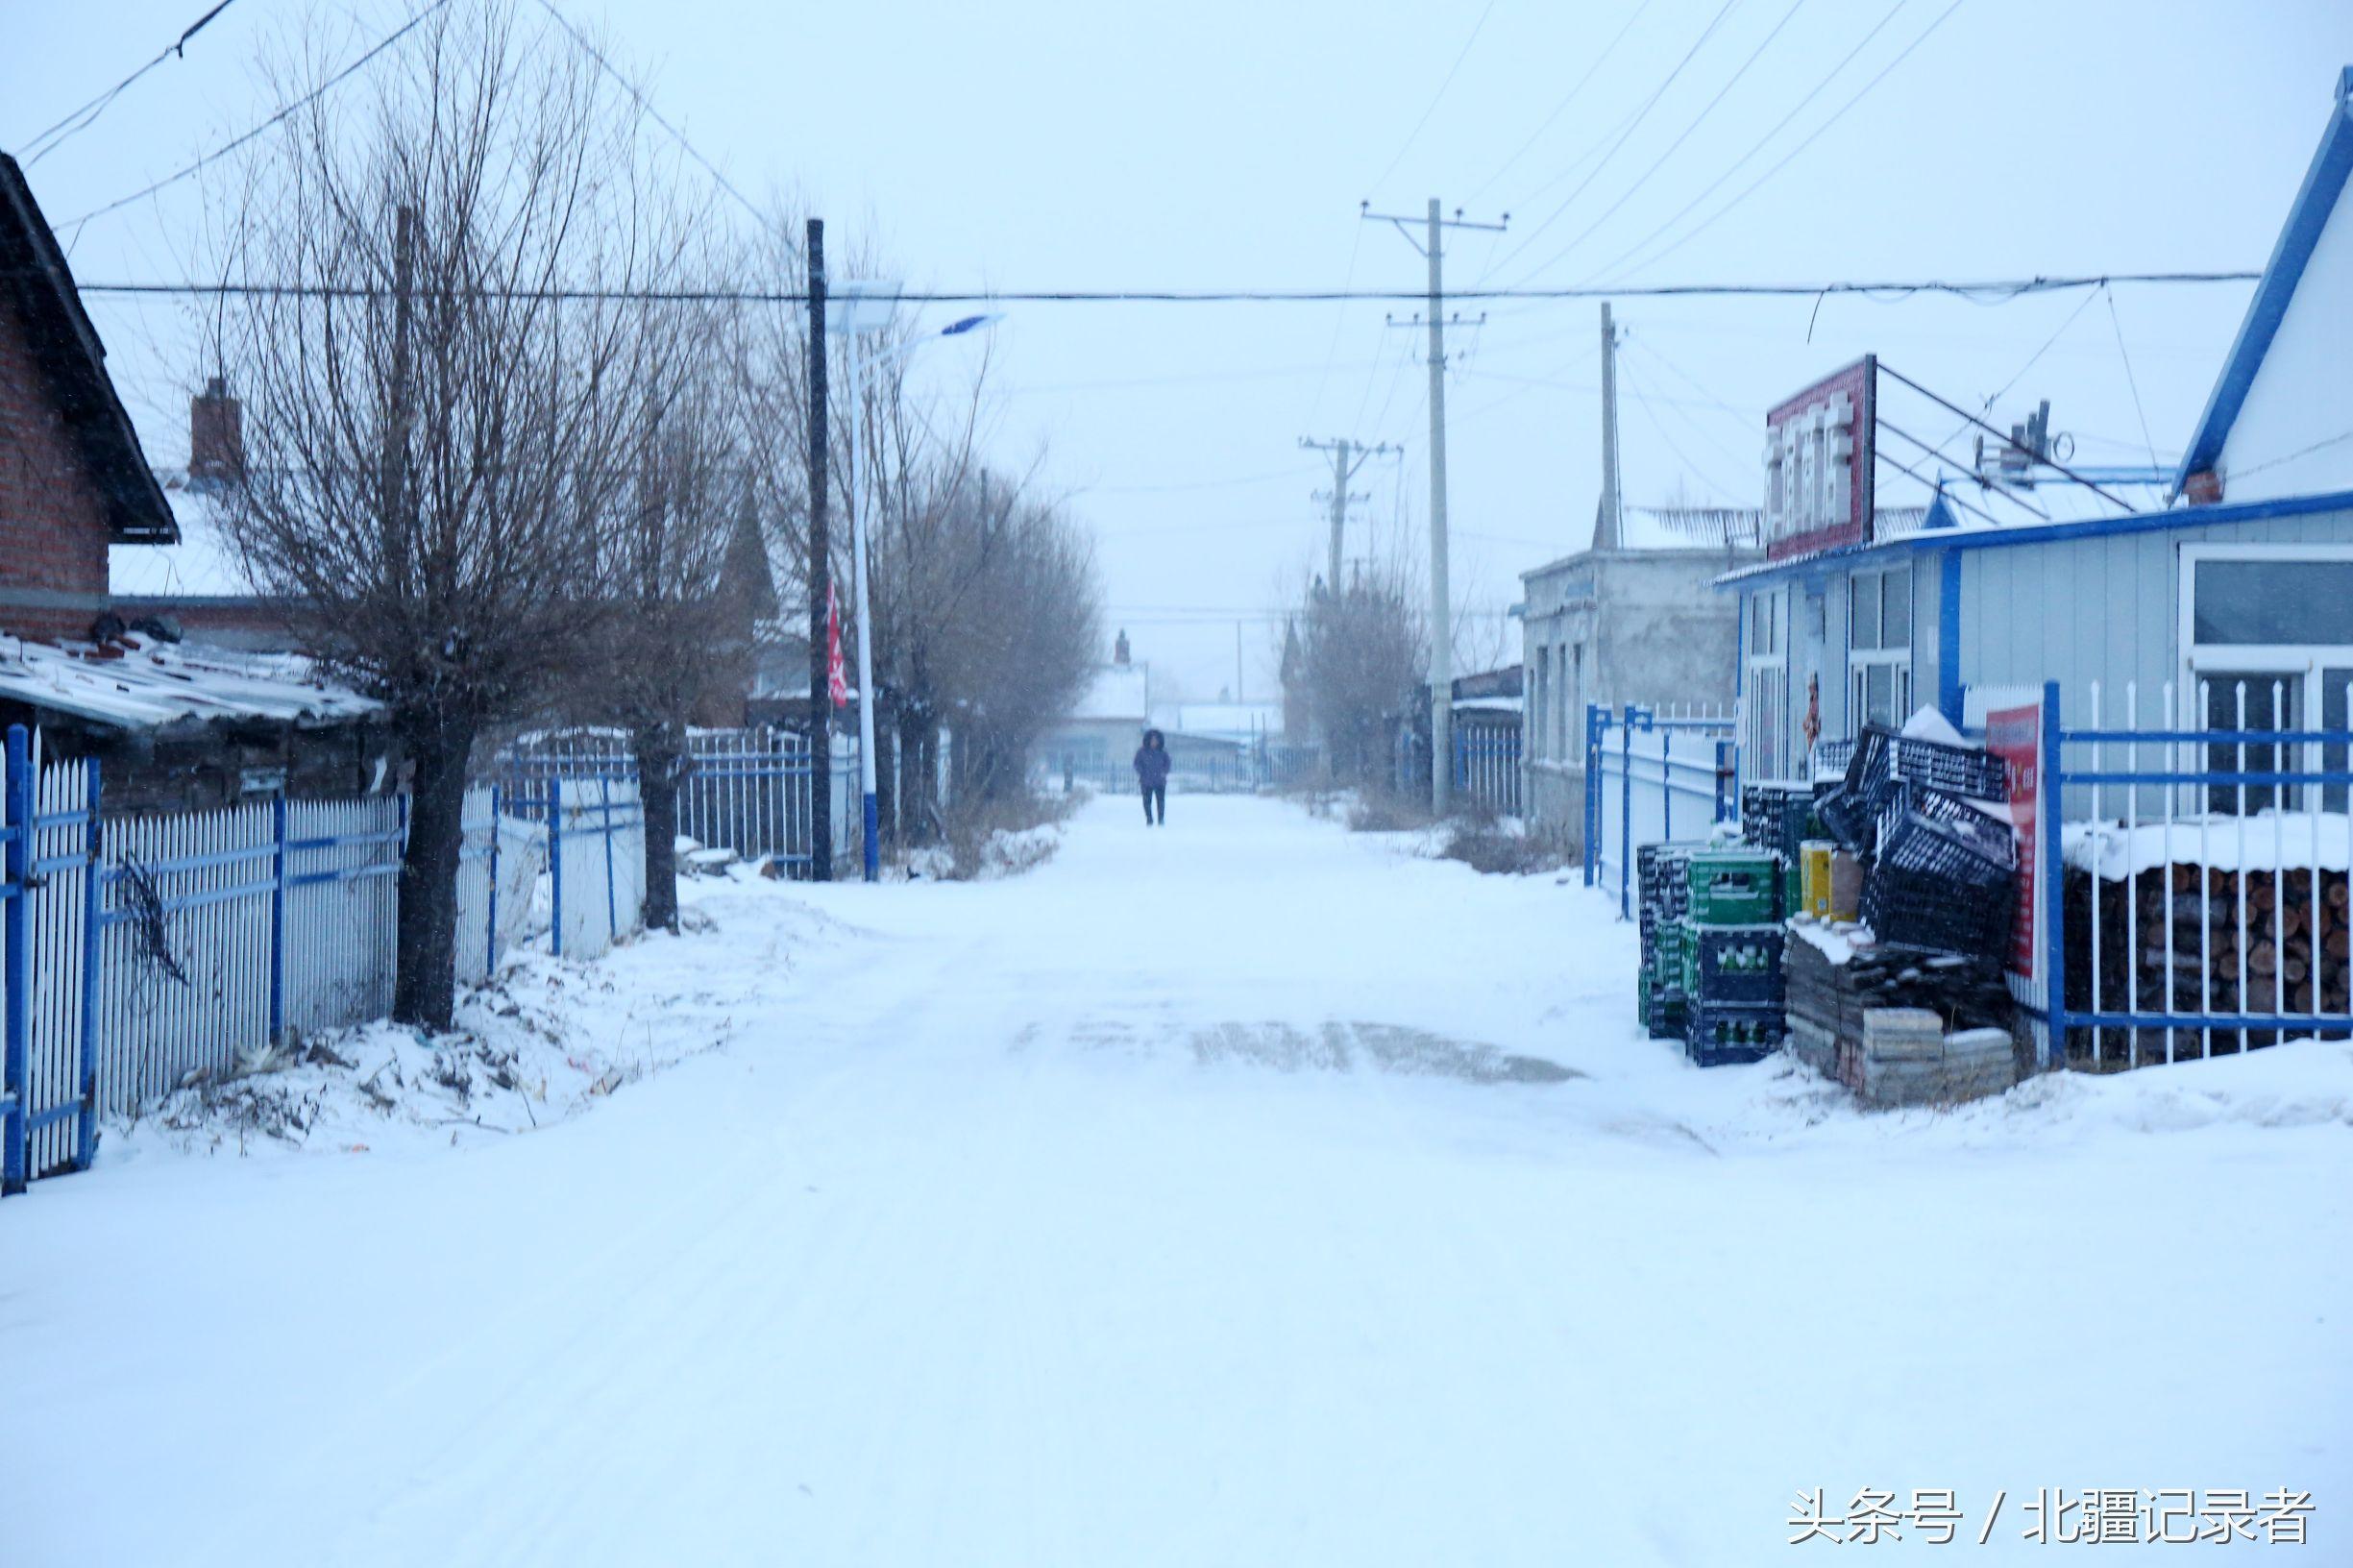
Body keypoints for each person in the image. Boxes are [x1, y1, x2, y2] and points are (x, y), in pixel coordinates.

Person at [1133, 728, 1171, 825]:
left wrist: (1164, 772)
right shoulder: (1142, 752)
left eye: (1156, 740)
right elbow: (1137, 763)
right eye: (1152, 740)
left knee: (1161, 802)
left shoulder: (1163, 752)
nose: (1154, 742)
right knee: (1147, 802)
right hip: (1146, 781)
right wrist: (1142, 772)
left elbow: (1168, 764)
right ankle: (1149, 819)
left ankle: (1161, 819)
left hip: (1160, 781)